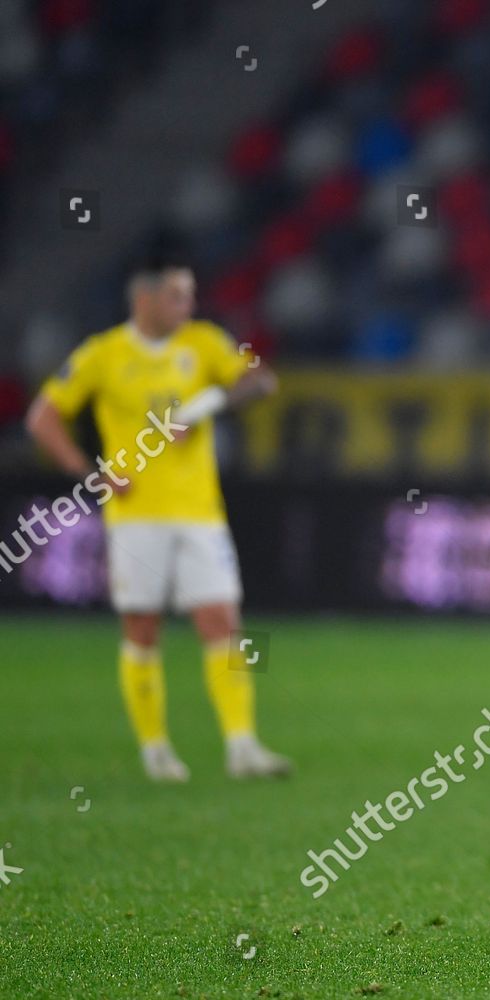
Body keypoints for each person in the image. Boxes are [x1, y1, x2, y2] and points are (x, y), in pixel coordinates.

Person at [25, 254, 293, 781]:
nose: (188, 306)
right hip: (136, 515)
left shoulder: (205, 343)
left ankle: (242, 745)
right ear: (144, 301)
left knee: (223, 624)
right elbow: (43, 416)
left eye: (190, 296)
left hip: (200, 513)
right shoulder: (103, 355)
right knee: (143, 629)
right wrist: (88, 471)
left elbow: (262, 381)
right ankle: (156, 750)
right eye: (177, 296)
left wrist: (209, 403)